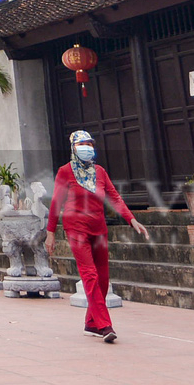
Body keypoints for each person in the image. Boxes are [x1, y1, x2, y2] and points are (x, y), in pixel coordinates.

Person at [45, 128, 149, 343]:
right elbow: (56, 203)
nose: (87, 148)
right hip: (76, 227)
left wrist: (132, 219)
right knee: (90, 275)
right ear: (73, 148)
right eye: (82, 145)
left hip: (99, 228)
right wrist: (50, 233)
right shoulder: (65, 171)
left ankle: (91, 323)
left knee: (103, 278)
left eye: (90, 144)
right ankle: (104, 325)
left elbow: (115, 197)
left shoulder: (100, 172)